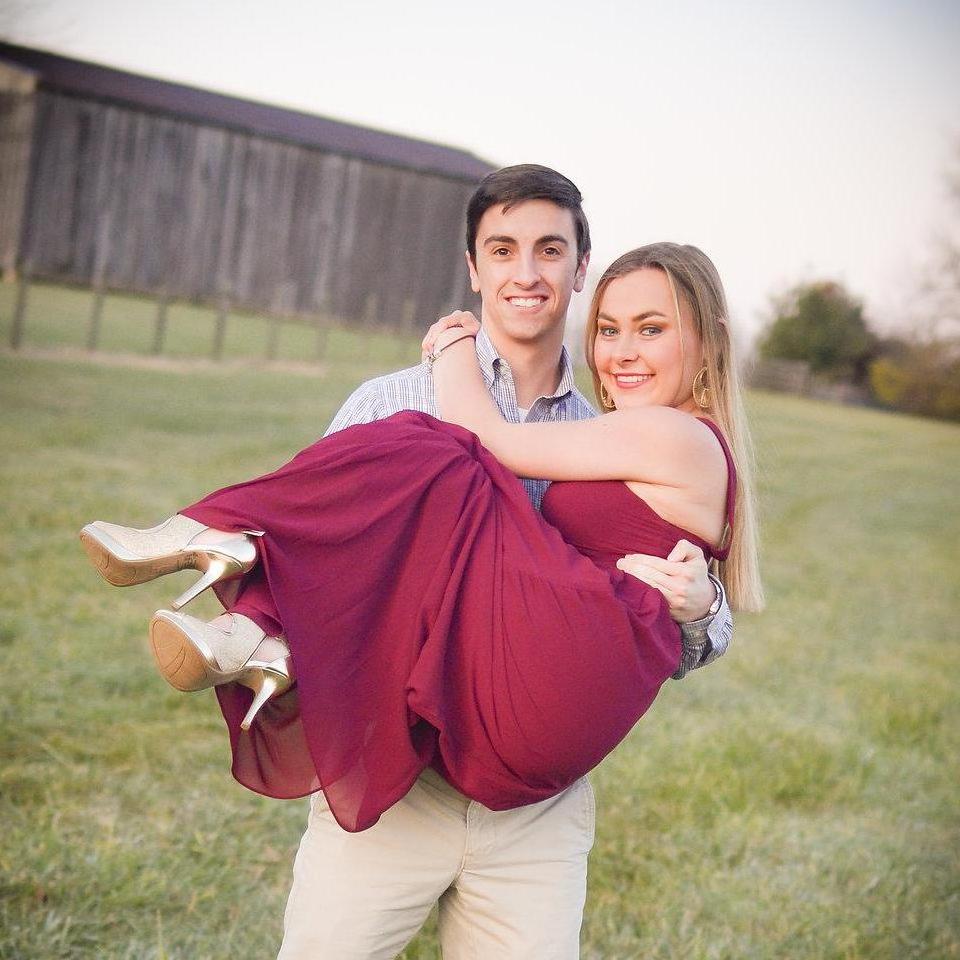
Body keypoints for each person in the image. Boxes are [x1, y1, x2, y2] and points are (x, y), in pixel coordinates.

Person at [80, 167, 748, 959]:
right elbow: (318, 549)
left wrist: (705, 607)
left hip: (534, 810)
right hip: (403, 772)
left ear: (579, 269)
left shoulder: (611, 425)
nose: (526, 272)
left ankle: (214, 539)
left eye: (550, 250)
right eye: (502, 250)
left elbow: (675, 627)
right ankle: (248, 627)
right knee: (410, 454)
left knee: (446, 452)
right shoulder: (391, 397)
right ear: (474, 267)